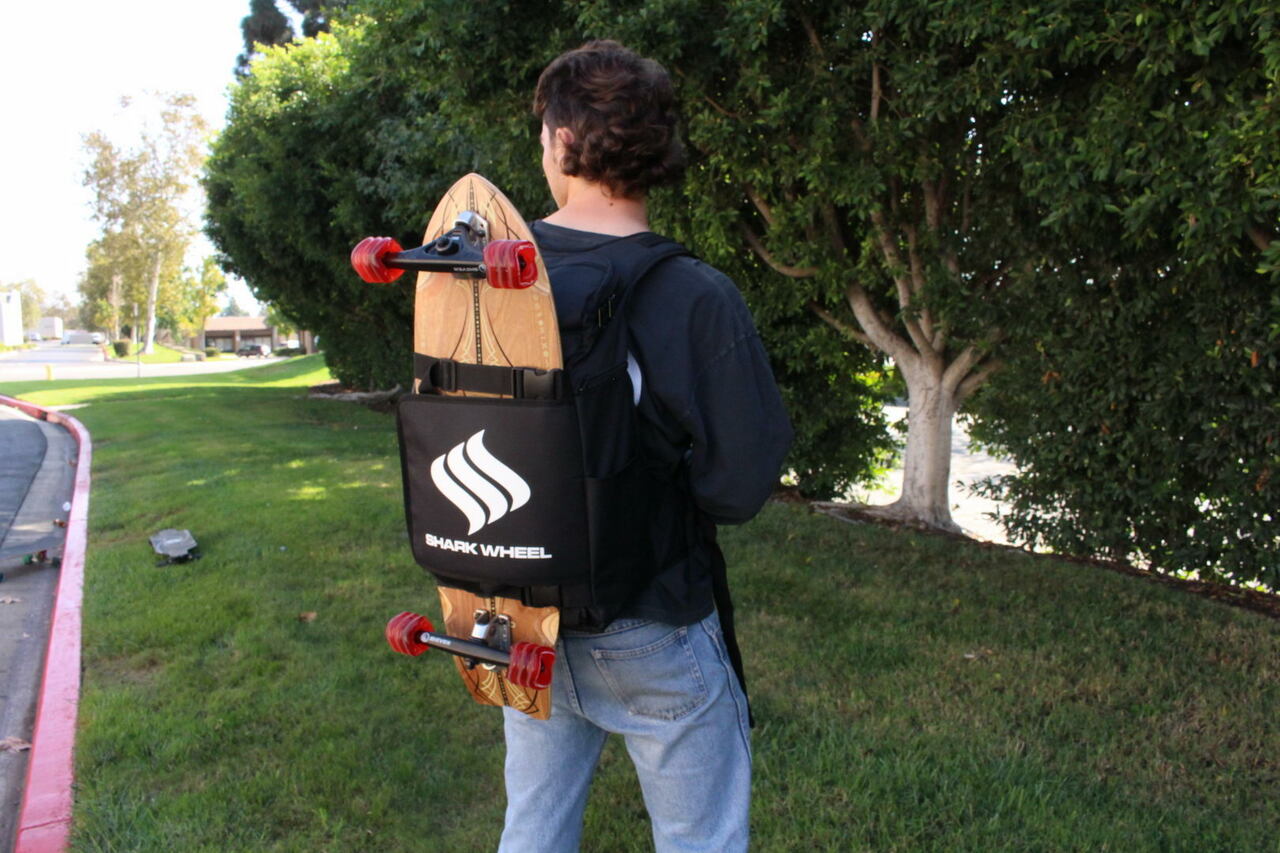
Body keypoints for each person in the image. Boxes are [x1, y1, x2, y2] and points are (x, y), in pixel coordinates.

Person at [498, 40, 792, 853]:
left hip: (519, 614)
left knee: (533, 826)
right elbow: (739, 482)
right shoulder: (693, 295)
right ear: (659, 152)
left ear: (560, 141)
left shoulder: (491, 278)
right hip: (651, 619)